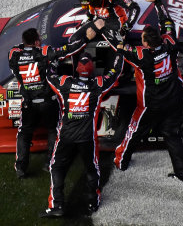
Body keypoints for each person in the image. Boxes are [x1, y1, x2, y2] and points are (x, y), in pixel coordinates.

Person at [112, 0, 183, 183]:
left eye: (143, 40)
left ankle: (121, 162)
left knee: (133, 131)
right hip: (173, 100)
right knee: (172, 137)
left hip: (149, 106)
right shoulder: (170, 44)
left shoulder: (141, 56)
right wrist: (157, 2)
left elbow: (118, 46)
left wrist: (104, 29)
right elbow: (168, 22)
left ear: (146, 43)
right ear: (161, 38)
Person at [41, 51, 124, 218]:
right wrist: (119, 51)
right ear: (92, 70)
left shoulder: (64, 82)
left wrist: (54, 59)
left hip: (66, 136)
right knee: (92, 169)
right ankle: (93, 201)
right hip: (87, 138)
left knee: (56, 167)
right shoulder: (98, 84)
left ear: (76, 69)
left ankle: (56, 205)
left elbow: (49, 75)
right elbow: (115, 72)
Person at [8, 27, 91, 179]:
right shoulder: (44, 52)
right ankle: (49, 163)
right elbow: (67, 50)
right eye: (39, 39)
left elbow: (18, 52)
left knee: (24, 134)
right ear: (37, 41)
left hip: (28, 103)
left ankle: (20, 167)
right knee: (53, 130)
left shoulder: (14, 53)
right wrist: (85, 38)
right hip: (48, 102)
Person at [71, 0, 140, 48]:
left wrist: (126, 27)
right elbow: (90, 11)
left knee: (121, 49)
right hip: (100, 22)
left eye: (92, 2)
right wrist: (89, 18)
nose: (91, 5)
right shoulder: (90, 0)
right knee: (74, 39)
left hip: (116, 23)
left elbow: (135, 7)